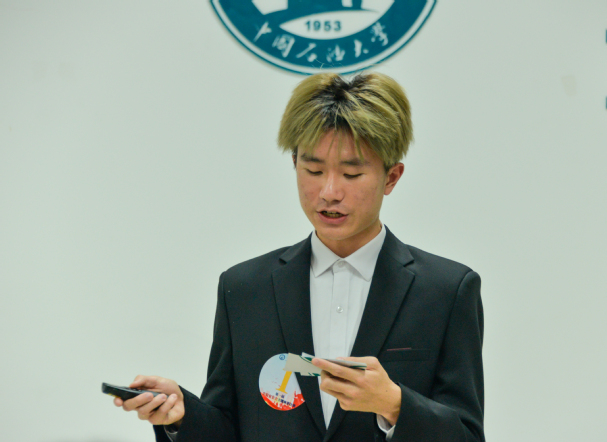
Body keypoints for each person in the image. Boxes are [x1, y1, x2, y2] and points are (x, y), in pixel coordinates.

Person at [114, 72, 485, 441]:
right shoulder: (244, 289)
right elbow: (228, 428)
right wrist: (182, 417)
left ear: (391, 177)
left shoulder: (445, 291)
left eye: (352, 173)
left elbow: (467, 435)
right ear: (294, 164)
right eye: (313, 170)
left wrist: (395, 405)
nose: (329, 192)